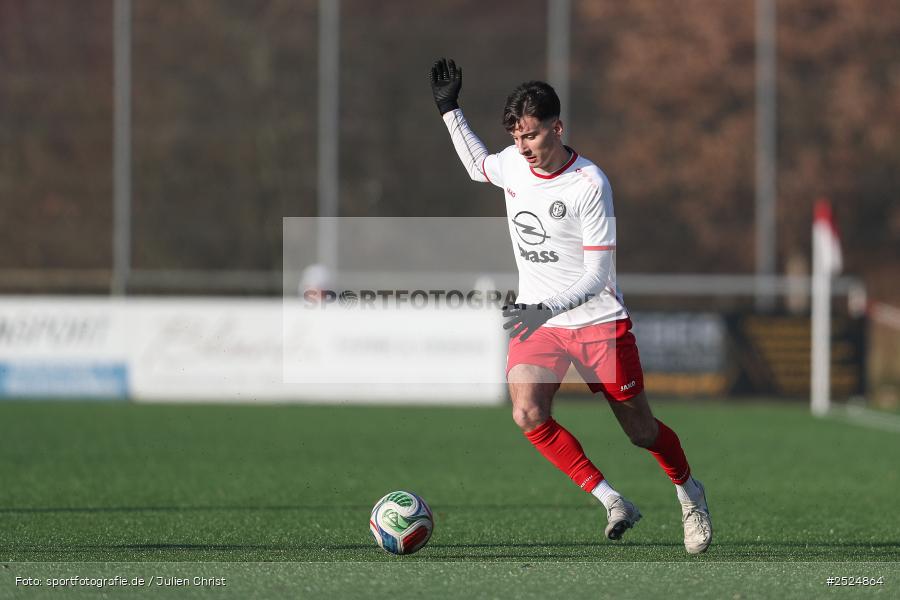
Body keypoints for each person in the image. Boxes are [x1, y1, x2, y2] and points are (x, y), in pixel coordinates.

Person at [429, 58, 712, 554]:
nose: (523, 148)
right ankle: (612, 500)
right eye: (517, 137)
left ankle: (689, 493)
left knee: (641, 432)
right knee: (527, 412)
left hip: (597, 320)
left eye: (533, 136)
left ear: (557, 128)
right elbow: (479, 165)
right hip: (539, 321)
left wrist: (547, 308)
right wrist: (449, 109)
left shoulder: (589, 185)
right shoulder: (515, 162)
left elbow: (597, 276)